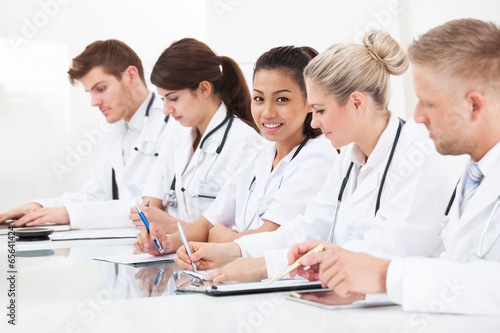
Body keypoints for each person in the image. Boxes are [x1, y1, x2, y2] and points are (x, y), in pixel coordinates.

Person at [175, 30, 452, 283]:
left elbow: (380, 255)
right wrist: (232, 250)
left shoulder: (415, 160)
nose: (315, 123)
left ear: (357, 103)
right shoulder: (349, 158)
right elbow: (308, 227)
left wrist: (264, 267)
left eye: (320, 110)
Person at [288, 18, 500, 316]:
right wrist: (364, 282)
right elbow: (457, 268)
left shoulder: (424, 159)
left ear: (473, 106)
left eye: (429, 103)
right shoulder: (477, 173)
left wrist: (385, 275)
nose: (418, 116)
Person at [134, 46, 337, 255]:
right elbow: (207, 223)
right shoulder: (261, 153)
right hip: (240, 273)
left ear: (310, 102)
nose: (267, 112)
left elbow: (272, 236)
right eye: (259, 98)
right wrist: (165, 244)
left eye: (282, 99)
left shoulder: (318, 157)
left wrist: (229, 239)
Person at [0, 40, 183, 229]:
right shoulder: (116, 131)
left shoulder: (175, 125)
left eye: (101, 89)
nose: (94, 102)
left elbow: (153, 206)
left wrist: (70, 214)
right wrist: (40, 207)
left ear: (131, 76)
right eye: (90, 93)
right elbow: (92, 195)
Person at [129, 38, 263, 242]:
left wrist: (170, 225)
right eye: (163, 99)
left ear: (203, 89)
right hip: (178, 258)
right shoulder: (174, 136)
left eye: (173, 98)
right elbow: (150, 200)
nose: (166, 109)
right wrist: (150, 222)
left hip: (222, 266)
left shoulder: (246, 144)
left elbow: (238, 237)